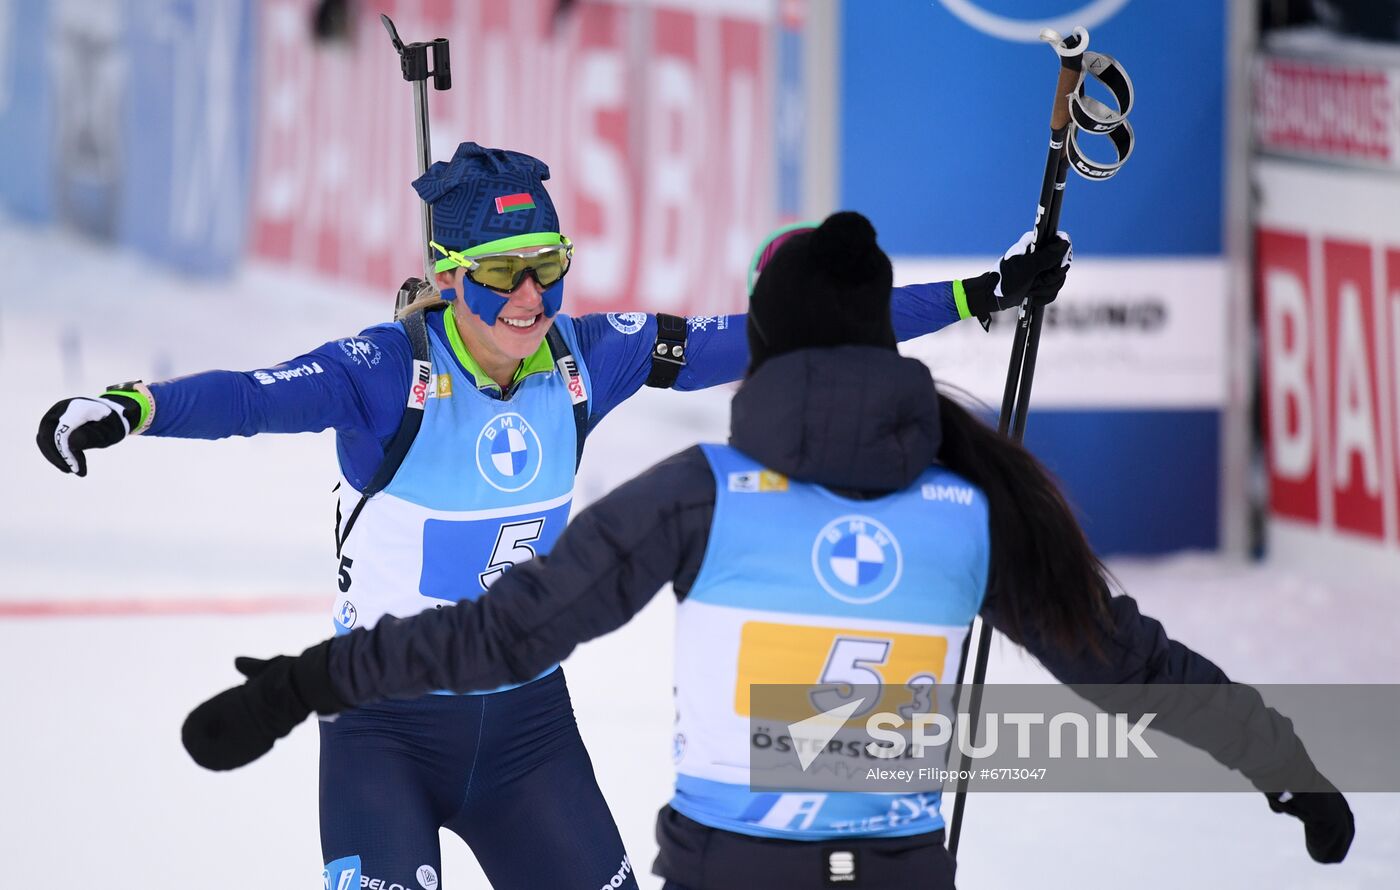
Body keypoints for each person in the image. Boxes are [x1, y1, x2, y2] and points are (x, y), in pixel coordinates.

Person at [181, 211, 1355, 888]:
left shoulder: (701, 494)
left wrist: (302, 685)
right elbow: (1124, 664)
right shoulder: (968, 507)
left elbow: (503, 631)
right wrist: (1281, 757)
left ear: (773, 348)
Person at [34, 144, 1072, 890]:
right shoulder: (385, 371)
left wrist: (979, 293)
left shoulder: (586, 357)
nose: (530, 297)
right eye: (498, 276)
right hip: (384, 732)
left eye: (548, 264)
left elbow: (755, 334)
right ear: (447, 281)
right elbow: (251, 395)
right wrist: (131, 407)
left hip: (528, 735)